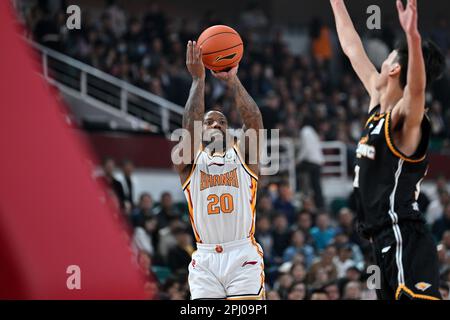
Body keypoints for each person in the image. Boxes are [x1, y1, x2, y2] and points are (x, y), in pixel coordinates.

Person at [331, 0, 446, 300]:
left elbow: (416, 90)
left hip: (404, 236)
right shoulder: (377, 105)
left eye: (389, 57)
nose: (379, 60)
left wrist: (413, 37)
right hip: (380, 241)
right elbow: (351, 45)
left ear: (394, 68)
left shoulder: (405, 121)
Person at [173, 41, 265, 300]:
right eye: (209, 121)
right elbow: (189, 128)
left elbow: (254, 120)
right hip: (205, 259)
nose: (216, 124)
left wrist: (233, 80)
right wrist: (197, 81)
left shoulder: (244, 156)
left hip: (242, 254)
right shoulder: (189, 160)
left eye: (222, 122)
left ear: (230, 131)